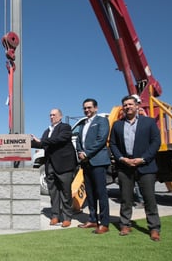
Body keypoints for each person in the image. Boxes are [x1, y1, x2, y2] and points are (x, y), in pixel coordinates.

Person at [109, 95, 161, 241]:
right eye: (125, 105)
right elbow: (113, 144)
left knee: (149, 199)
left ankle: (154, 228)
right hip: (125, 167)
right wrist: (122, 158)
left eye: (130, 104)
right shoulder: (117, 125)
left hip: (146, 166)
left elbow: (156, 142)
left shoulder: (149, 122)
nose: (127, 107)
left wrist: (143, 159)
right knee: (126, 198)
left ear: (137, 105)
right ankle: (125, 224)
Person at [31, 108, 77, 228]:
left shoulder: (65, 127)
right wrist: (27, 142)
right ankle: (55, 216)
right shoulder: (47, 131)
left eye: (54, 115)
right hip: (50, 165)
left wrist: (41, 140)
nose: (51, 117)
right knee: (53, 193)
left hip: (64, 165)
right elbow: (42, 144)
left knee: (66, 192)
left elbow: (59, 139)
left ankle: (67, 218)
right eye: (50, 115)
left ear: (60, 116)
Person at [76, 99, 110, 234]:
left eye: (89, 107)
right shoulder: (83, 124)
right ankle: (92, 219)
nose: (87, 110)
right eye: (84, 108)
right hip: (86, 163)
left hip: (98, 162)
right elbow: (79, 140)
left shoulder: (102, 121)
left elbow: (101, 140)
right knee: (90, 193)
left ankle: (104, 223)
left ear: (96, 108)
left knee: (101, 193)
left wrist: (87, 153)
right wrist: (79, 152)